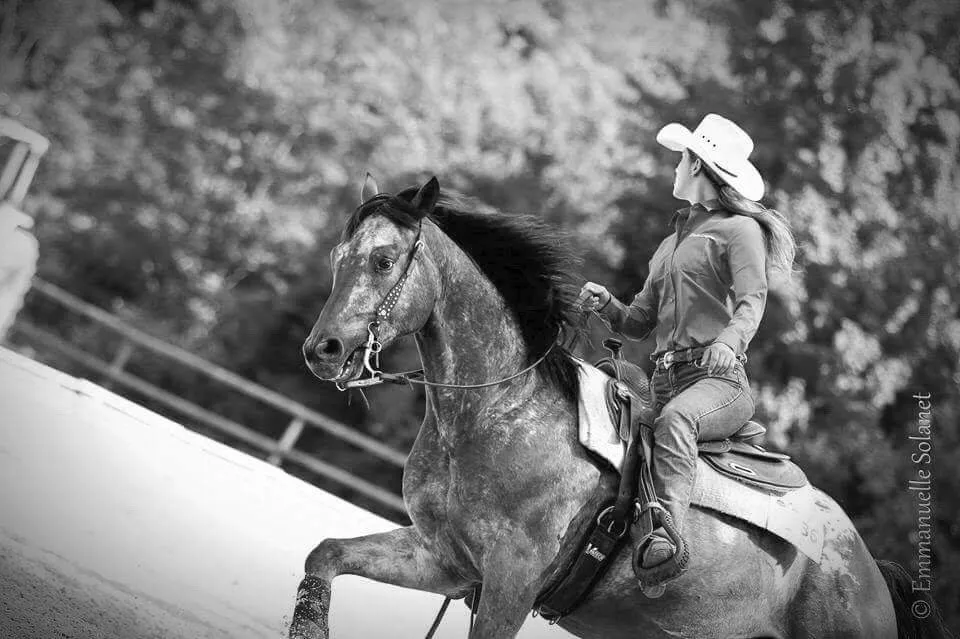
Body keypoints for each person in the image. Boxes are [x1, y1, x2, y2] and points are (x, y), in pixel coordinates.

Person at [578, 114, 796, 570]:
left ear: (697, 166)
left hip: (719, 381)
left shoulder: (741, 231)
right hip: (663, 379)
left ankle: (667, 537)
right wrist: (606, 304)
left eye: (681, 159)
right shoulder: (668, 245)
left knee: (675, 421)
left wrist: (729, 342)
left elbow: (753, 299)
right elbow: (637, 324)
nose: (675, 166)